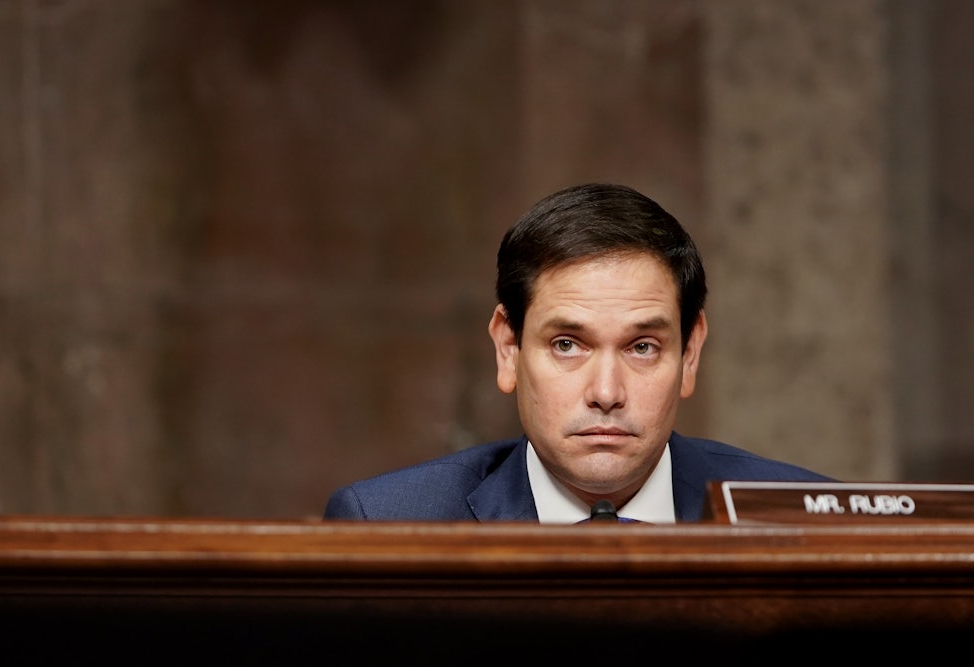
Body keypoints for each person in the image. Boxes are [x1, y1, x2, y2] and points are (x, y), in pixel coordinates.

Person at [324, 183, 833, 523]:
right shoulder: (390, 521)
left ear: (691, 353)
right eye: (567, 345)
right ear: (508, 348)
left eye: (642, 347)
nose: (606, 393)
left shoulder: (810, 517)